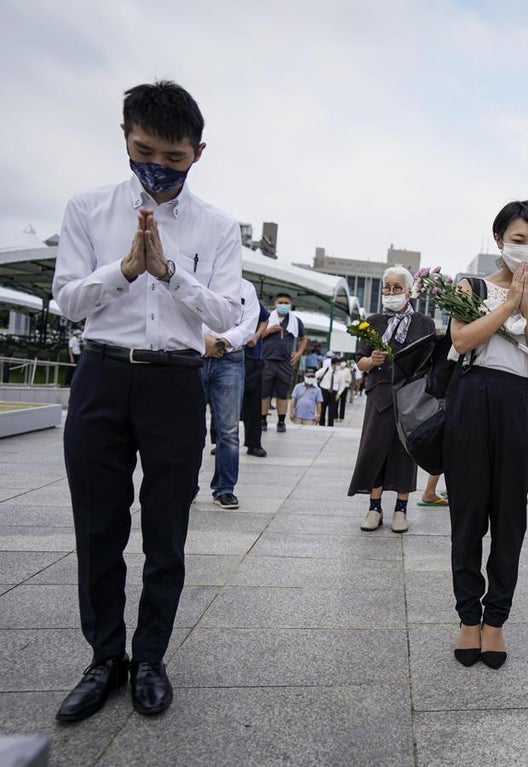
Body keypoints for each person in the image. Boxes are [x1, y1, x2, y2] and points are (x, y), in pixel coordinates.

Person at [51, 80, 242, 721]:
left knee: (166, 531)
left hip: (174, 382)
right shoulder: (87, 209)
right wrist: (125, 270)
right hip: (102, 374)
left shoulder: (217, 228)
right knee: (99, 528)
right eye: (145, 150)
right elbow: (68, 299)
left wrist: (168, 272)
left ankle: (151, 657)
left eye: (174, 157)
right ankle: (105, 657)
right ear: (126, 137)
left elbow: (226, 311)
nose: (156, 166)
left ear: (198, 153)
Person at [444, 200, 528, 670]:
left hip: (521, 404)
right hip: (473, 398)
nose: (526, 249)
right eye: (518, 239)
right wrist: (509, 302)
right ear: (498, 239)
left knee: (510, 516)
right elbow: (461, 340)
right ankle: (468, 617)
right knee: (468, 514)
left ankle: (496, 620)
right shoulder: (469, 285)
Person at [348, 266, 436, 533]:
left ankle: (401, 509)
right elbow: (359, 362)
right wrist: (370, 361)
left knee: (405, 452)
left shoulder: (424, 323)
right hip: (379, 395)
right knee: (374, 450)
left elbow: (430, 361)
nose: (391, 292)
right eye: (387, 287)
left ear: (409, 291)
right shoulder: (371, 322)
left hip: (409, 399)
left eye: (397, 288)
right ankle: (374, 507)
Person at [201, 277, 260, 509]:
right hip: (195, 354)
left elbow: (249, 325)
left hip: (231, 358)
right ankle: (186, 486)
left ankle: (224, 488)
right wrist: (203, 341)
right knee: (190, 426)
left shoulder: (246, 288)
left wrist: (221, 342)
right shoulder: (200, 278)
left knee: (229, 429)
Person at [260, 292, 307, 433]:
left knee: (283, 394)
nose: (283, 305)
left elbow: (304, 338)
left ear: (291, 304)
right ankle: (263, 420)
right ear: (275, 304)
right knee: (264, 393)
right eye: (280, 302)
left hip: (285, 362)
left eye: (286, 303)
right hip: (267, 360)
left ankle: (281, 421)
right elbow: (257, 336)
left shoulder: (295, 321)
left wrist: (298, 353)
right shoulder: (266, 318)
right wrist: (269, 330)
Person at [241, 295, 271, 457]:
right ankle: (221, 443)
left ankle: (254, 444)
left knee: (253, 403)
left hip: (251, 356)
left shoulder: (247, 292)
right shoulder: (217, 288)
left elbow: (265, 318)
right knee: (221, 402)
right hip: (223, 353)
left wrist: (257, 335)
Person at [317, 351, 340, 427]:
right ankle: (321, 424)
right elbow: (316, 375)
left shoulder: (339, 373)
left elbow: (341, 384)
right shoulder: (325, 370)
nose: (338, 366)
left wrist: (338, 393)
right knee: (322, 409)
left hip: (333, 392)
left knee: (332, 410)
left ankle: (330, 425)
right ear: (333, 364)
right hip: (324, 390)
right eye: (337, 364)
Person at [335, 358, 353, 422]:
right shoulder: (337, 369)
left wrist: (345, 381)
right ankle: (336, 416)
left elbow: (349, 379)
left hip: (345, 387)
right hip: (337, 387)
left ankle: (341, 417)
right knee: (336, 402)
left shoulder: (347, 370)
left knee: (343, 403)